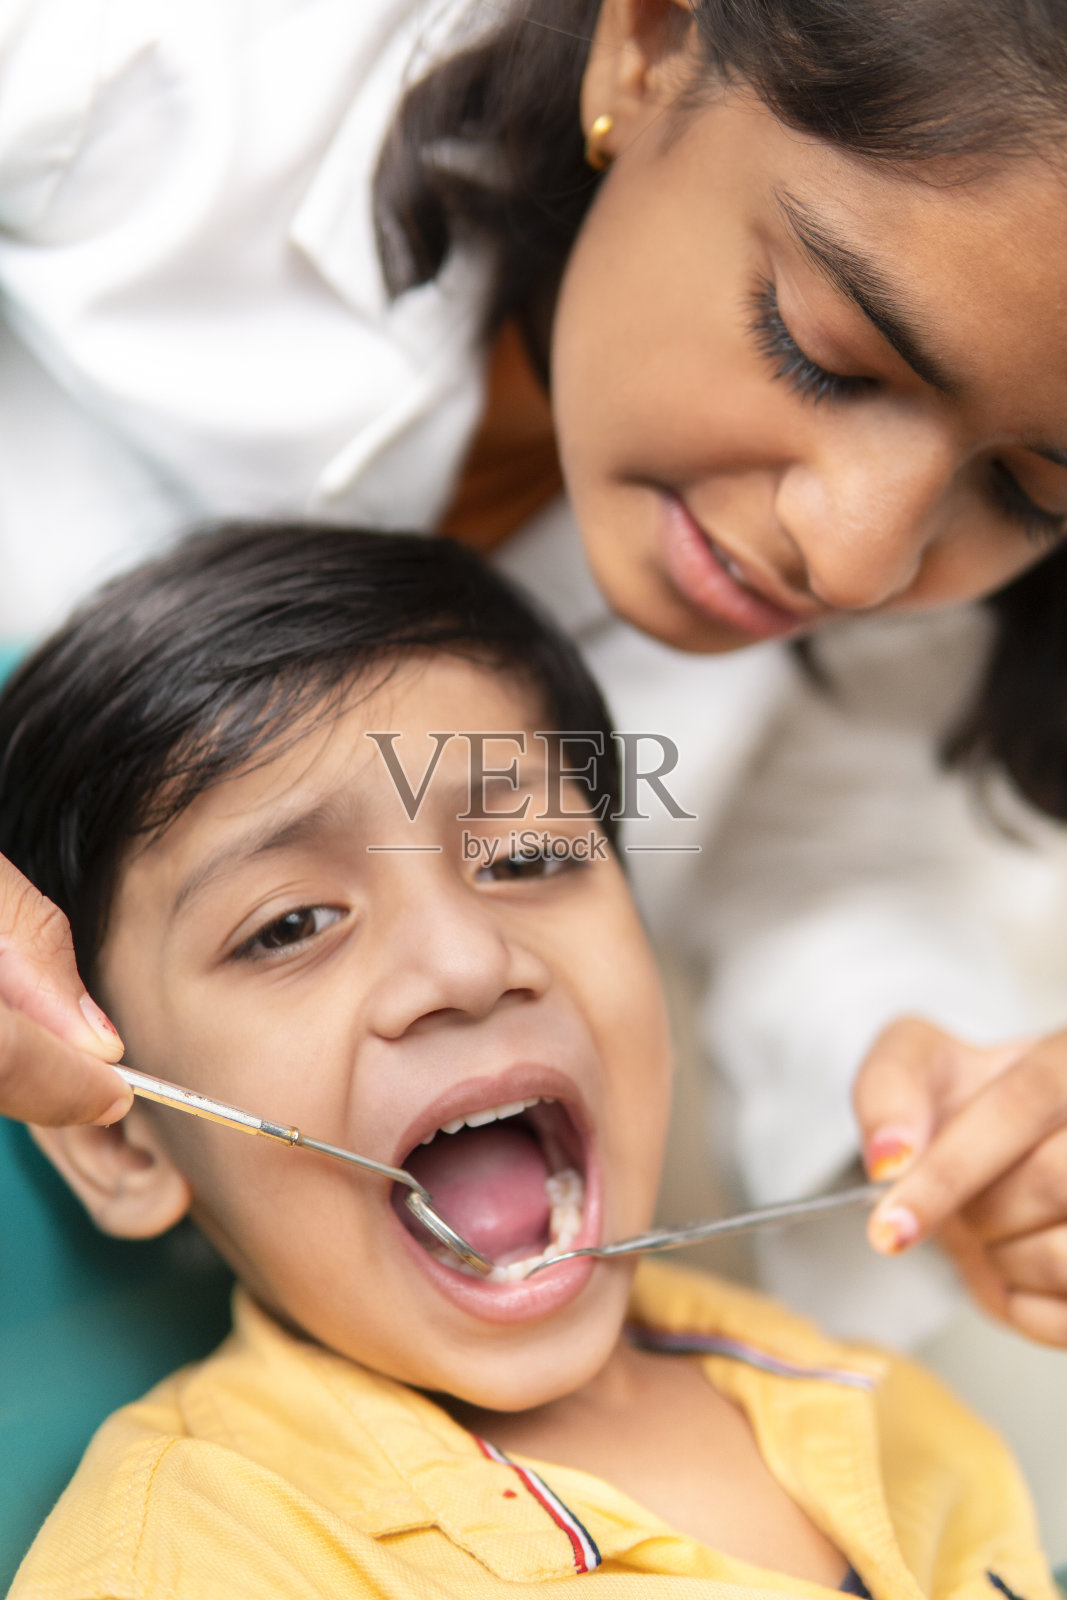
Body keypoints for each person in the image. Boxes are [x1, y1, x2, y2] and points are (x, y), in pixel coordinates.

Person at [5, 0, 1067, 1347]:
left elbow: (811, 863)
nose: (854, 565)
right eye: (823, 353)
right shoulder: (155, 50)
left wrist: (948, 1099)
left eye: (1026, 492)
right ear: (650, 44)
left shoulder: (902, 596)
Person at [1, 524, 1056, 1599]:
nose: (465, 963)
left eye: (526, 855)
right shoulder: (193, 1559)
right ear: (120, 1135)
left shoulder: (881, 1406)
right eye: (290, 924)